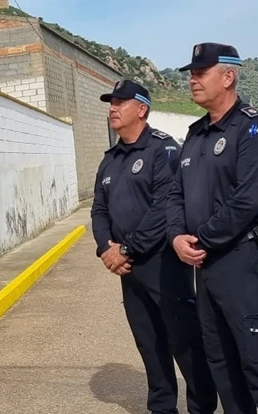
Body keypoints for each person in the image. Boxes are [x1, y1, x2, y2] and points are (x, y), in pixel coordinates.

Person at [166, 43, 258, 414]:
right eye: (190, 74)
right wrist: (177, 236)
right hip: (207, 264)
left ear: (228, 76)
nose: (192, 80)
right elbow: (175, 195)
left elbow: (248, 201)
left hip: (245, 259)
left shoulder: (253, 129)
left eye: (200, 73)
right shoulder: (195, 135)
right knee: (220, 359)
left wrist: (201, 239)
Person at [92, 79, 217, 414]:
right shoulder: (111, 159)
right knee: (149, 343)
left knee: (184, 340)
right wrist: (107, 249)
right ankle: (162, 407)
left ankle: (203, 405)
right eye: (111, 103)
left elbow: (164, 209)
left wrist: (126, 250)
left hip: (162, 264)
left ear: (142, 109)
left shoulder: (163, 151)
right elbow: (99, 210)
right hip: (129, 270)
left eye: (121, 102)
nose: (113, 108)